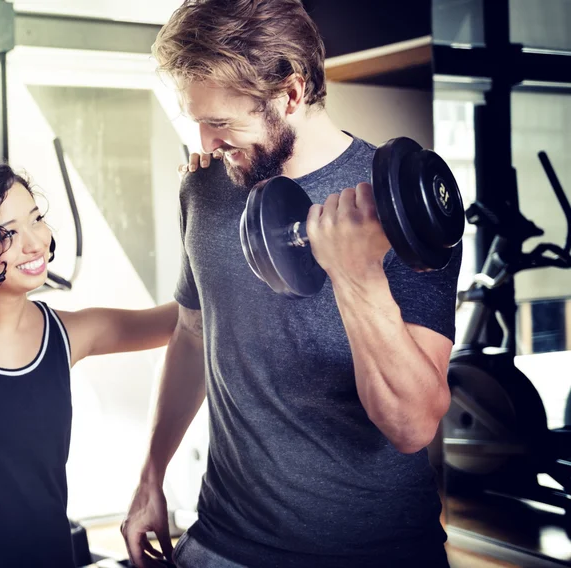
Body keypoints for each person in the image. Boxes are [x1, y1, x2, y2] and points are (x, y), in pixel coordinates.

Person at [121, 1, 462, 567]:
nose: (204, 143)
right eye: (196, 121)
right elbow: (192, 333)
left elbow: (412, 426)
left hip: (377, 551)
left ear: (291, 93)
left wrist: (356, 275)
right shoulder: (204, 189)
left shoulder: (402, 204)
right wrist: (150, 475)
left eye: (222, 123)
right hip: (222, 543)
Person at [0, 163, 179, 568]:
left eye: (36, 219)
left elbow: (184, 319)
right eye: (9, 233)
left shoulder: (64, 334)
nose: (34, 243)